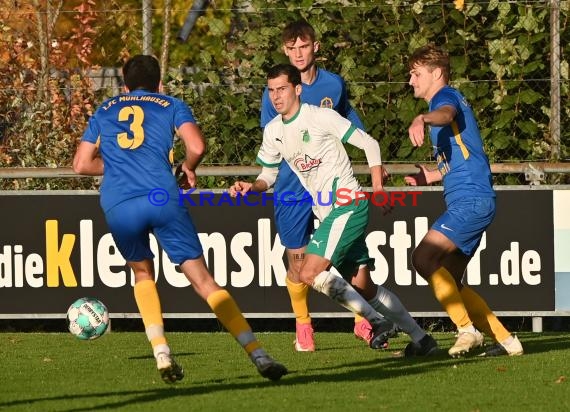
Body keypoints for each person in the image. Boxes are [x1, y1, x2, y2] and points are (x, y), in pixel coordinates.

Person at [72, 54, 288, 383]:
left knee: (143, 274)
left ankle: (161, 352)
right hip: (161, 196)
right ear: (159, 82)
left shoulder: (104, 110)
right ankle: (257, 354)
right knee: (203, 281)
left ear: (124, 84)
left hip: (119, 203)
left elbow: (81, 165)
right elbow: (197, 146)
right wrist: (187, 166)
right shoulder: (170, 104)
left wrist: (120, 166)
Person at [231, 63, 438, 357]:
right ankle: (422, 339)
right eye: (271, 90)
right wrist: (250, 187)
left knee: (308, 272)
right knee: (365, 286)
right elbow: (268, 175)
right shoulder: (274, 131)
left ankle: (377, 321)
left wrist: (378, 188)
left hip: (347, 205)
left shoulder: (321, 117)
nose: (276, 96)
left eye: (283, 89)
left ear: (297, 89)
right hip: (328, 213)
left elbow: (370, 143)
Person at [260, 19, 388, 351]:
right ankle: (304, 325)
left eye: (304, 46)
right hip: (291, 189)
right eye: (292, 48)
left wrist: (372, 164)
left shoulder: (334, 85)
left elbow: (351, 125)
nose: (298, 53)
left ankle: (364, 321)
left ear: (315, 47)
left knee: (344, 260)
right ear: (284, 50)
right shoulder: (274, 93)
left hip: (331, 189)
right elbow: (276, 138)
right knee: (299, 264)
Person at [405, 44, 524, 357]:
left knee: (423, 258)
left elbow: (445, 114)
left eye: (416, 73)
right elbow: (456, 160)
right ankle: (508, 342)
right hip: (472, 199)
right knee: (451, 279)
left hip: (471, 201)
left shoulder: (446, 98)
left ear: (437, 73)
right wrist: (428, 177)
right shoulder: (445, 114)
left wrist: (422, 118)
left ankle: (466, 330)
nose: (410, 80)